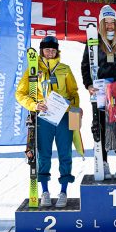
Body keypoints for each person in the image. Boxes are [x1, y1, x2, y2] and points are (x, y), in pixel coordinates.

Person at [16, 36, 80, 208]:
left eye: (53, 49)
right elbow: (20, 94)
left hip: (63, 118)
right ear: (42, 50)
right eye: (47, 49)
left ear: (57, 50)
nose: (50, 52)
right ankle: (44, 191)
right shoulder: (32, 70)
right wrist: (34, 105)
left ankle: (63, 191)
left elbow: (74, 93)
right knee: (43, 154)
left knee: (65, 154)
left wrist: (73, 112)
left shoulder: (65, 69)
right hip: (43, 119)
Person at [81, 5, 116, 180]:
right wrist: (89, 85)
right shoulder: (94, 43)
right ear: (101, 24)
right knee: (102, 126)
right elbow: (85, 66)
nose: (110, 26)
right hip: (101, 91)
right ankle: (103, 163)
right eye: (106, 23)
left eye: (112, 22)